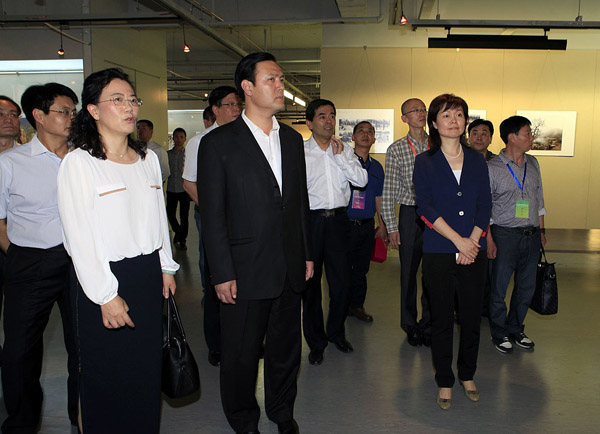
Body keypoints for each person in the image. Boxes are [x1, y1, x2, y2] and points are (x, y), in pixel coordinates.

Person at [57, 68, 179, 434]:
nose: (129, 107)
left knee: (145, 371)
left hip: (146, 274)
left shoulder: (147, 159)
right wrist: (106, 295)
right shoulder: (80, 163)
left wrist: (166, 265)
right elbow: (79, 237)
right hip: (103, 278)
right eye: (117, 99)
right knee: (107, 374)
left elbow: (159, 218)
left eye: (132, 99)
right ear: (93, 110)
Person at [199, 52, 312, 434]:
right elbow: (213, 214)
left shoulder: (292, 140)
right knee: (241, 355)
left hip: (289, 264)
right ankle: (244, 420)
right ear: (247, 87)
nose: (281, 85)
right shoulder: (219, 143)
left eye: (281, 78)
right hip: (243, 269)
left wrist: (306, 253)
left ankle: (282, 412)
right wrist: (221, 272)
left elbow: (298, 202)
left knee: (285, 350)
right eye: (271, 79)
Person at [0, 83, 79, 433]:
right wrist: (19, 253)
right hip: (31, 262)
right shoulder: (10, 163)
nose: (71, 117)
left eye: (73, 111)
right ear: (39, 116)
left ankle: (83, 417)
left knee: (84, 347)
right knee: (20, 350)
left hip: (79, 263)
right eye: (64, 111)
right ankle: (22, 423)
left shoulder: (84, 159)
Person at [413, 94, 491, 410]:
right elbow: (425, 207)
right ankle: (444, 378)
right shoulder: (425, 161)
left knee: (471, 317)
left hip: (474, 249)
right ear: (434, 123)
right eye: (446, 115)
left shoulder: (477, 160)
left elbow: (484, 204)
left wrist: (472, 241)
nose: (453, 121)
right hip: (439, 249)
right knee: (442, 318)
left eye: (459, 115)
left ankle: (467, 374)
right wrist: (458, 242)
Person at [303, 99, 367, 365]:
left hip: (339, 222)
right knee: (310, 287)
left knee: (341, 284)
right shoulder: (300, 152)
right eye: (322, 116)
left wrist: (340, 157)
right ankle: (316, 342)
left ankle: (336, 333)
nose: (329, 121)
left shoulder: (345, 150)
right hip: (311, 222)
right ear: (309, 123)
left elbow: (361, 181)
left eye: (332, 116)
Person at [182, 85, 242, 367]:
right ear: (215, 109)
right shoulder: (201, 142)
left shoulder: (246, 138)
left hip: (244, 221)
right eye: (229, 104)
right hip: (213, 220)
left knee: (244, 279)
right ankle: (216, 344)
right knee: (214, 278)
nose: (236, 109)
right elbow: (189, 183)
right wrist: (215, 214)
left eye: (238, 104)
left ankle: (244, 340)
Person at [487, 115, 546, 354]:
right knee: (499, 287)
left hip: (531, 234)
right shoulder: (492, 167)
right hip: (504, 235)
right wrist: (489, 238)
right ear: (512, 137)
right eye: (527, 133)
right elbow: (485, 207)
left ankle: (515, 328)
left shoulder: (533, 163)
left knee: (526, 287)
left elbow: (539, 199)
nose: (532, 137)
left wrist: (541, 230)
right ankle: (499, 332)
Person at [381, 98, 432, 346]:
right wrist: (392, 227)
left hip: (437, 217)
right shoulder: (396, 149)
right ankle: (410, 324)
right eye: (415, 110)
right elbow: (389, 191)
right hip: (410, 216)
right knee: (408, 273)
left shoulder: (438, 145)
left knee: (433, 273)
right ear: (404, 118)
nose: (421, 113)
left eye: (423, 109)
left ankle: (429, 324)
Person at [347, 121, 386, 322]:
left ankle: (356, 306)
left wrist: (382, 225)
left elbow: (379, 198)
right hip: (344, 225)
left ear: (374, 139)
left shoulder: (377, 167)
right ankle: (340, 305)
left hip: (366, 226)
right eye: (361, 131)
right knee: (342, 268)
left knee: (362, 269)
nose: (365, 134)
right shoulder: (344, 161)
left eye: (370, 131)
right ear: (353, 137)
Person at [468, 118, 496, 317]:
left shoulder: (498, 163)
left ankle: (484, 308)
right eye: (475, 133)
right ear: (468, 136)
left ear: (491, 138)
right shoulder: (460, 159)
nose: (479, 137)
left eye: (484, 133)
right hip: (467, 223)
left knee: (489, 271)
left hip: (494, 223)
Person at [167, 127, 190, 250]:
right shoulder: (168, 154)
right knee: (170, 213)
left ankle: (182, 240)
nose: (179, 139)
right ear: (173, 138)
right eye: (176, 136)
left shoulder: (188, 155)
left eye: (181, 137)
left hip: (184, 189)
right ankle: (179, 232)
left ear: (185, 139)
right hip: (171, 188)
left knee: (184, 216)